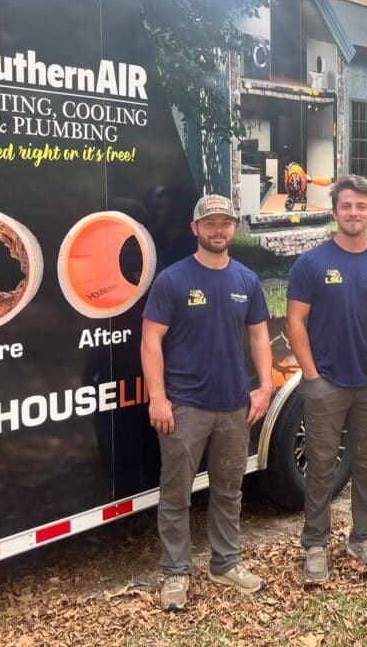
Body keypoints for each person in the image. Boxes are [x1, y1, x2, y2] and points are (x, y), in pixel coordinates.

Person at [141, 194, 272, 611]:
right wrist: (157, 398)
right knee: (176, 494)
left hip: (234, 406)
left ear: (234, 228)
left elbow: (258, 336)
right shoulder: (173, 280)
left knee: (229, 490)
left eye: (226, 223)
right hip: (184, 407)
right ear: (195, 228)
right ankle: (176, 573)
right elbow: (150, 340)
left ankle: (226, 562)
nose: (219, 230)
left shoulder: (246, 280)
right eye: (210, 223)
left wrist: (264, 386)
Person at [286, 175, 367, 583]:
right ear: (335, 211)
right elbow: (296, 322)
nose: (353, 213)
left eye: (361, 207)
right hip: (327, 384)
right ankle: (316, 545)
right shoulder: (312, 263)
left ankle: (363, 537)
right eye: (346, 206)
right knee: (321, 466)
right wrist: (311, 375)